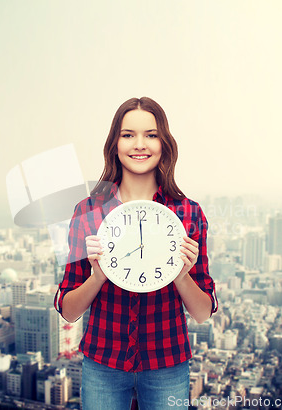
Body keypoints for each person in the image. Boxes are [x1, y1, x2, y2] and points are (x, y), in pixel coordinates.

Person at [54, 97, 218, 410]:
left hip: (167, 362)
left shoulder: (187, 213)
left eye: (151, 134)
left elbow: (202, 312)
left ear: (164, 144)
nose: (139, 144)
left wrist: (182, 275)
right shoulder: (89, 211)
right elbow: (68, 309)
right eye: (128, 134)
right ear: (114, 143)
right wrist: (98, 276)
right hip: (103, 361)